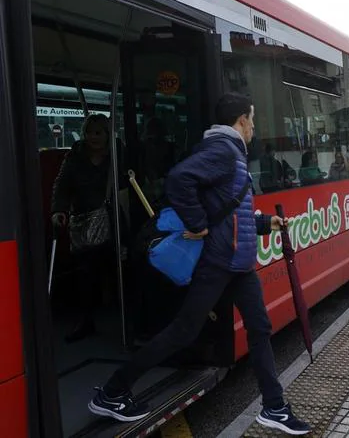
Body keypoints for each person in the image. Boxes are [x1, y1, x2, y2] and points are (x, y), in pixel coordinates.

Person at [88, 94, 311, 435]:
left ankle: (274, 407)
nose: (254, 126)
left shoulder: (232, 154)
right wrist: (196, 224)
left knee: (259, 328)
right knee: (183, 331)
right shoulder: (223, 151)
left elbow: (228, 209)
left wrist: (266, 224)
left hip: (237, 262)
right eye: (251, 119)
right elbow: (179, 180)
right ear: (240, 120)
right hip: (220, 262)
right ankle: (113, 391)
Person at [51, 113, 116, 343]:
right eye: (89, 132)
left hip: (113, 219)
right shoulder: (75, 156)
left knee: (115, 266)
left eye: (98, 132)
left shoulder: (117, 155)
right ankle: (86, 319)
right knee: (86, 272)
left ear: (108, 134)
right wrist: (58, 209)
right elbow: (62, 184)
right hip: (83, 220)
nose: (93, 137)